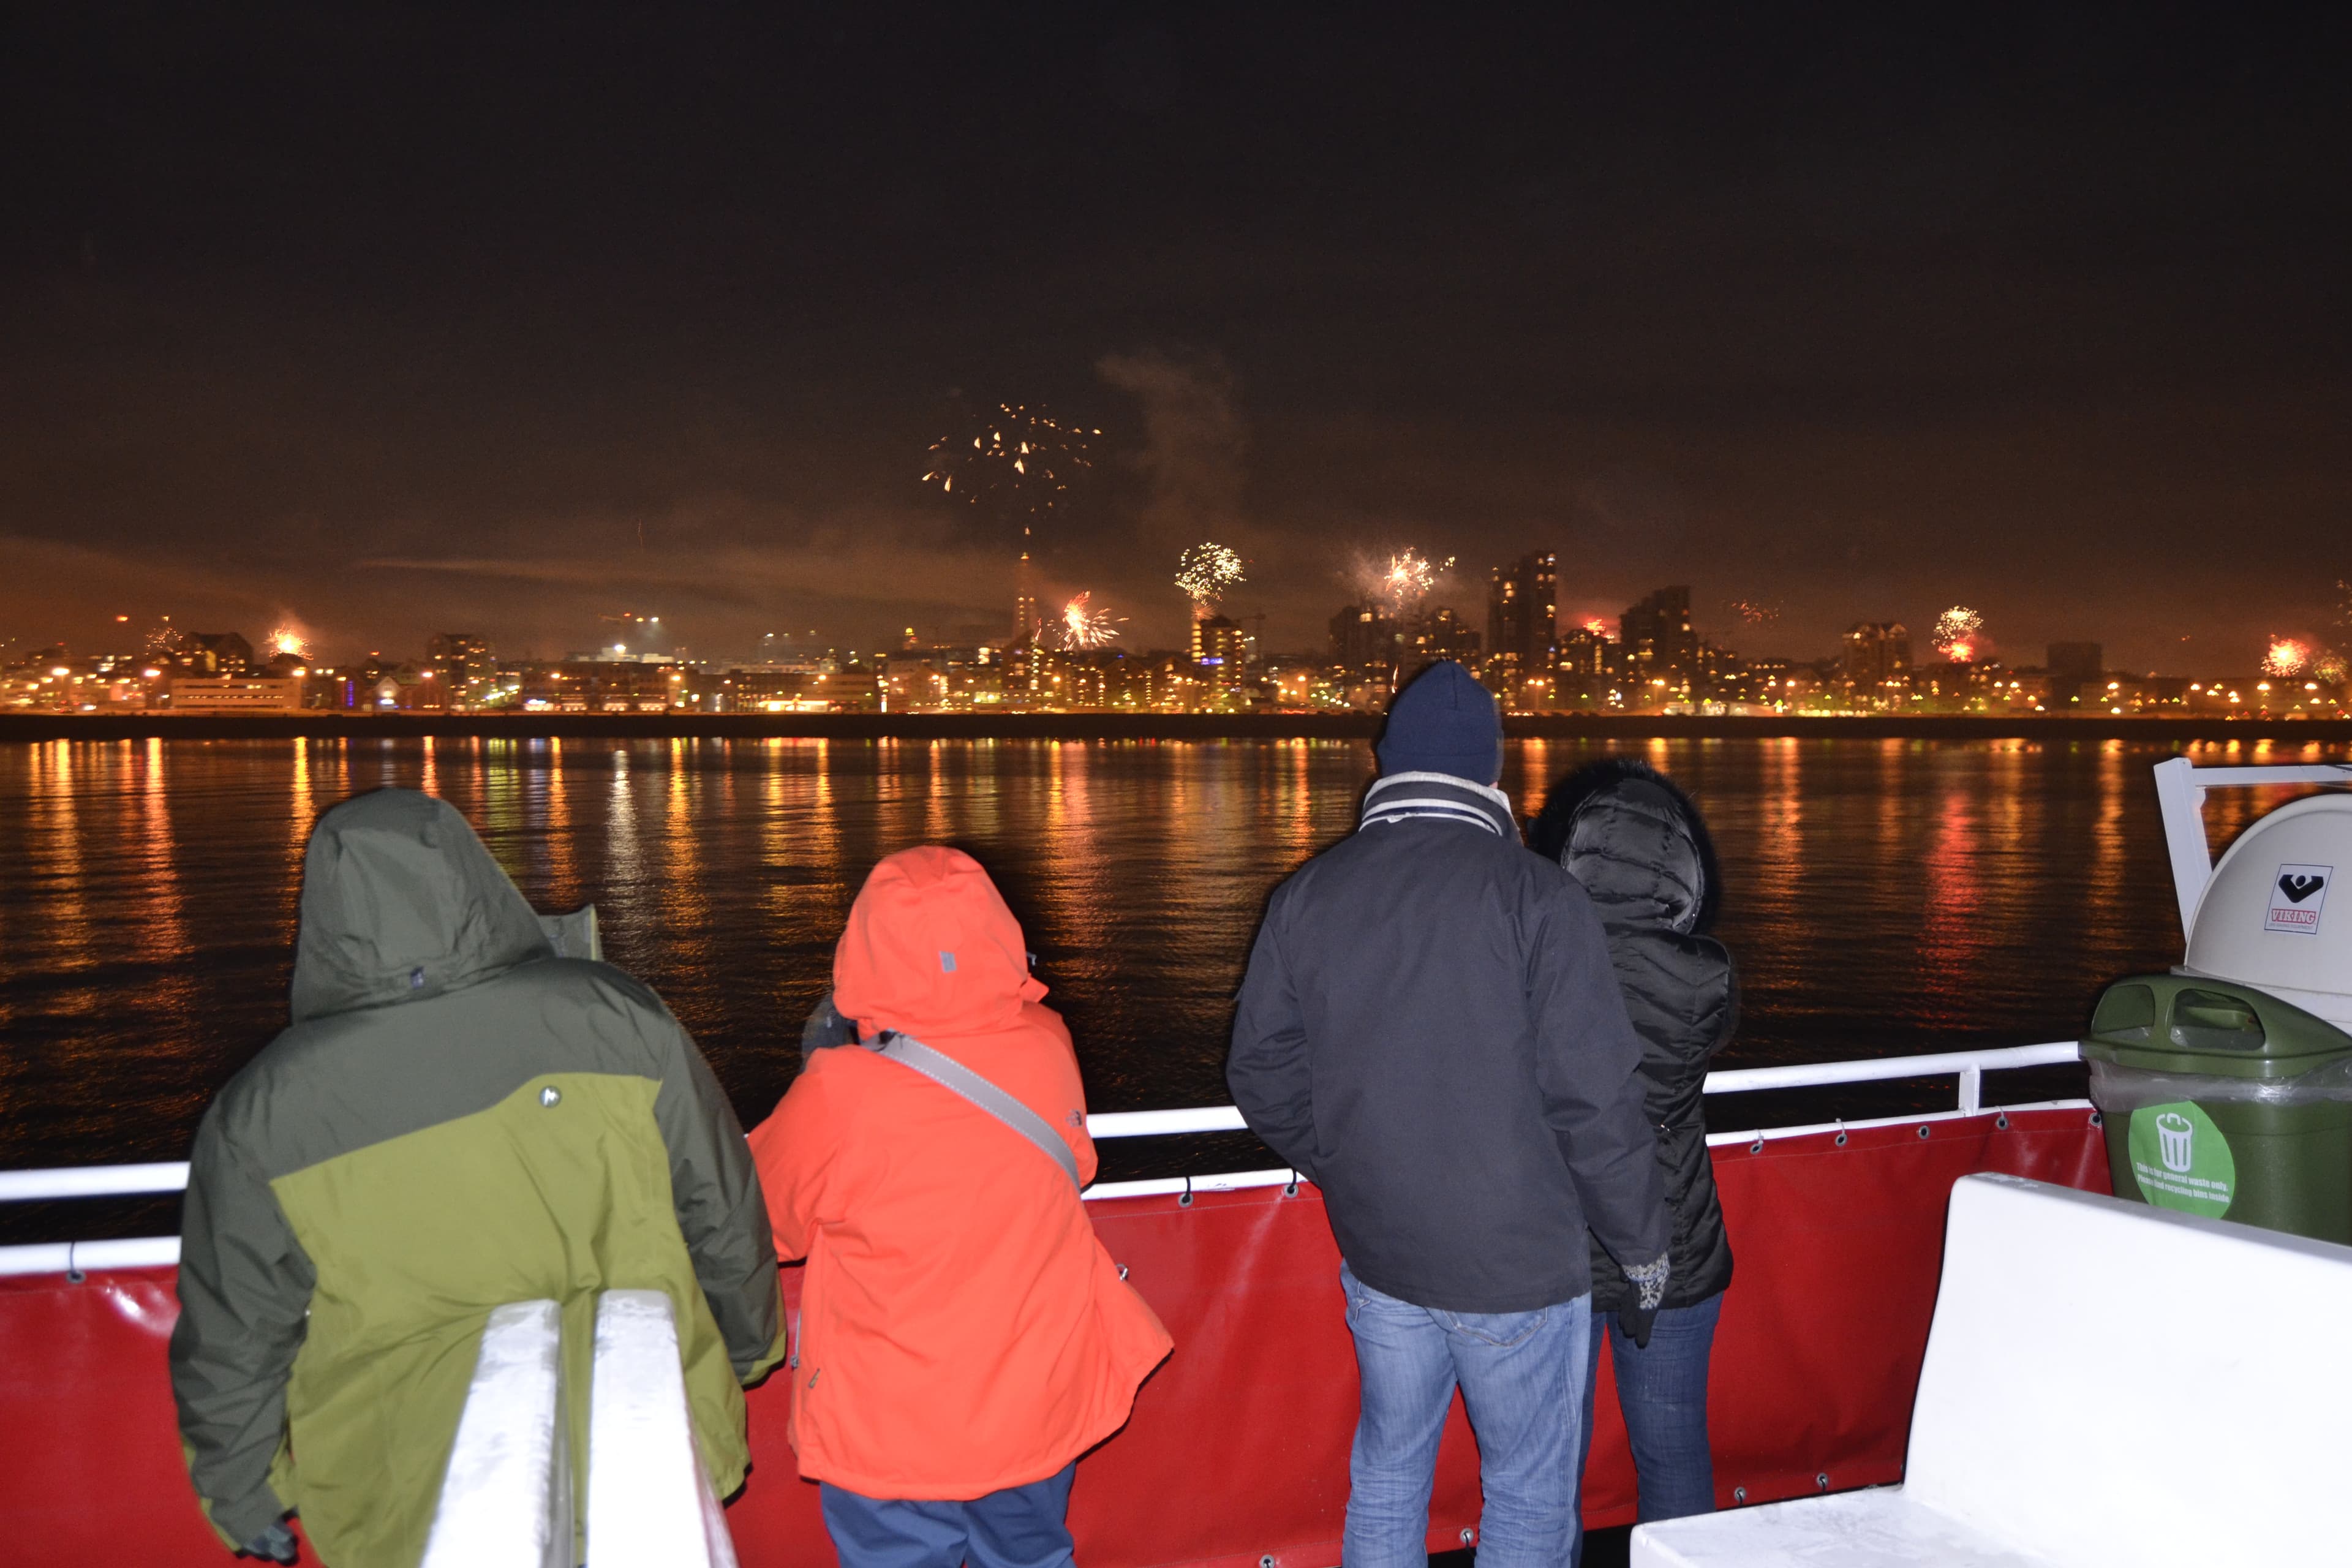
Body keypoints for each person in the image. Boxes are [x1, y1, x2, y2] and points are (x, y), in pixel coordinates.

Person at [169, 789, 783, 1566]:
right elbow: (723, 1210)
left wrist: (242, 1488)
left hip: (413, 1484)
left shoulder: (262, 1113)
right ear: (476, 875)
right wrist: (743, 1346)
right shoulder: (618, 1016)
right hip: (646, 1431)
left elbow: (235, 1329)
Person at [1226, 660, 1672, 1568]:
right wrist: (1641, 1244)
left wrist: (1347, 1159)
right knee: (1528, 1487)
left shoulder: (1308, 892)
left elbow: (1260, 1073)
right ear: (1490, 773)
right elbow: (1593, 1097)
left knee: (1388, 1470)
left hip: (1382, 1248)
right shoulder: (1540, 896)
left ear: (1386, 763)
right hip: (1516, 1263)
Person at [750, 845, 1172, 1568]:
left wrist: (825, 1055)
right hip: (1033, 1401)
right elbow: (1079, 1164)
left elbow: (762, 1221)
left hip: (896, 1426)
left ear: (863, 949)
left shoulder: (839, 1092)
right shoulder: (1049, 1042)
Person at [1530, 758, 1736, 1566]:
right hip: (1678, 1237)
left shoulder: (1536, 960)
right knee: (1675, 1450)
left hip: (1561, 1244)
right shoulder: (1707, 974)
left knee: (1552, 1467)